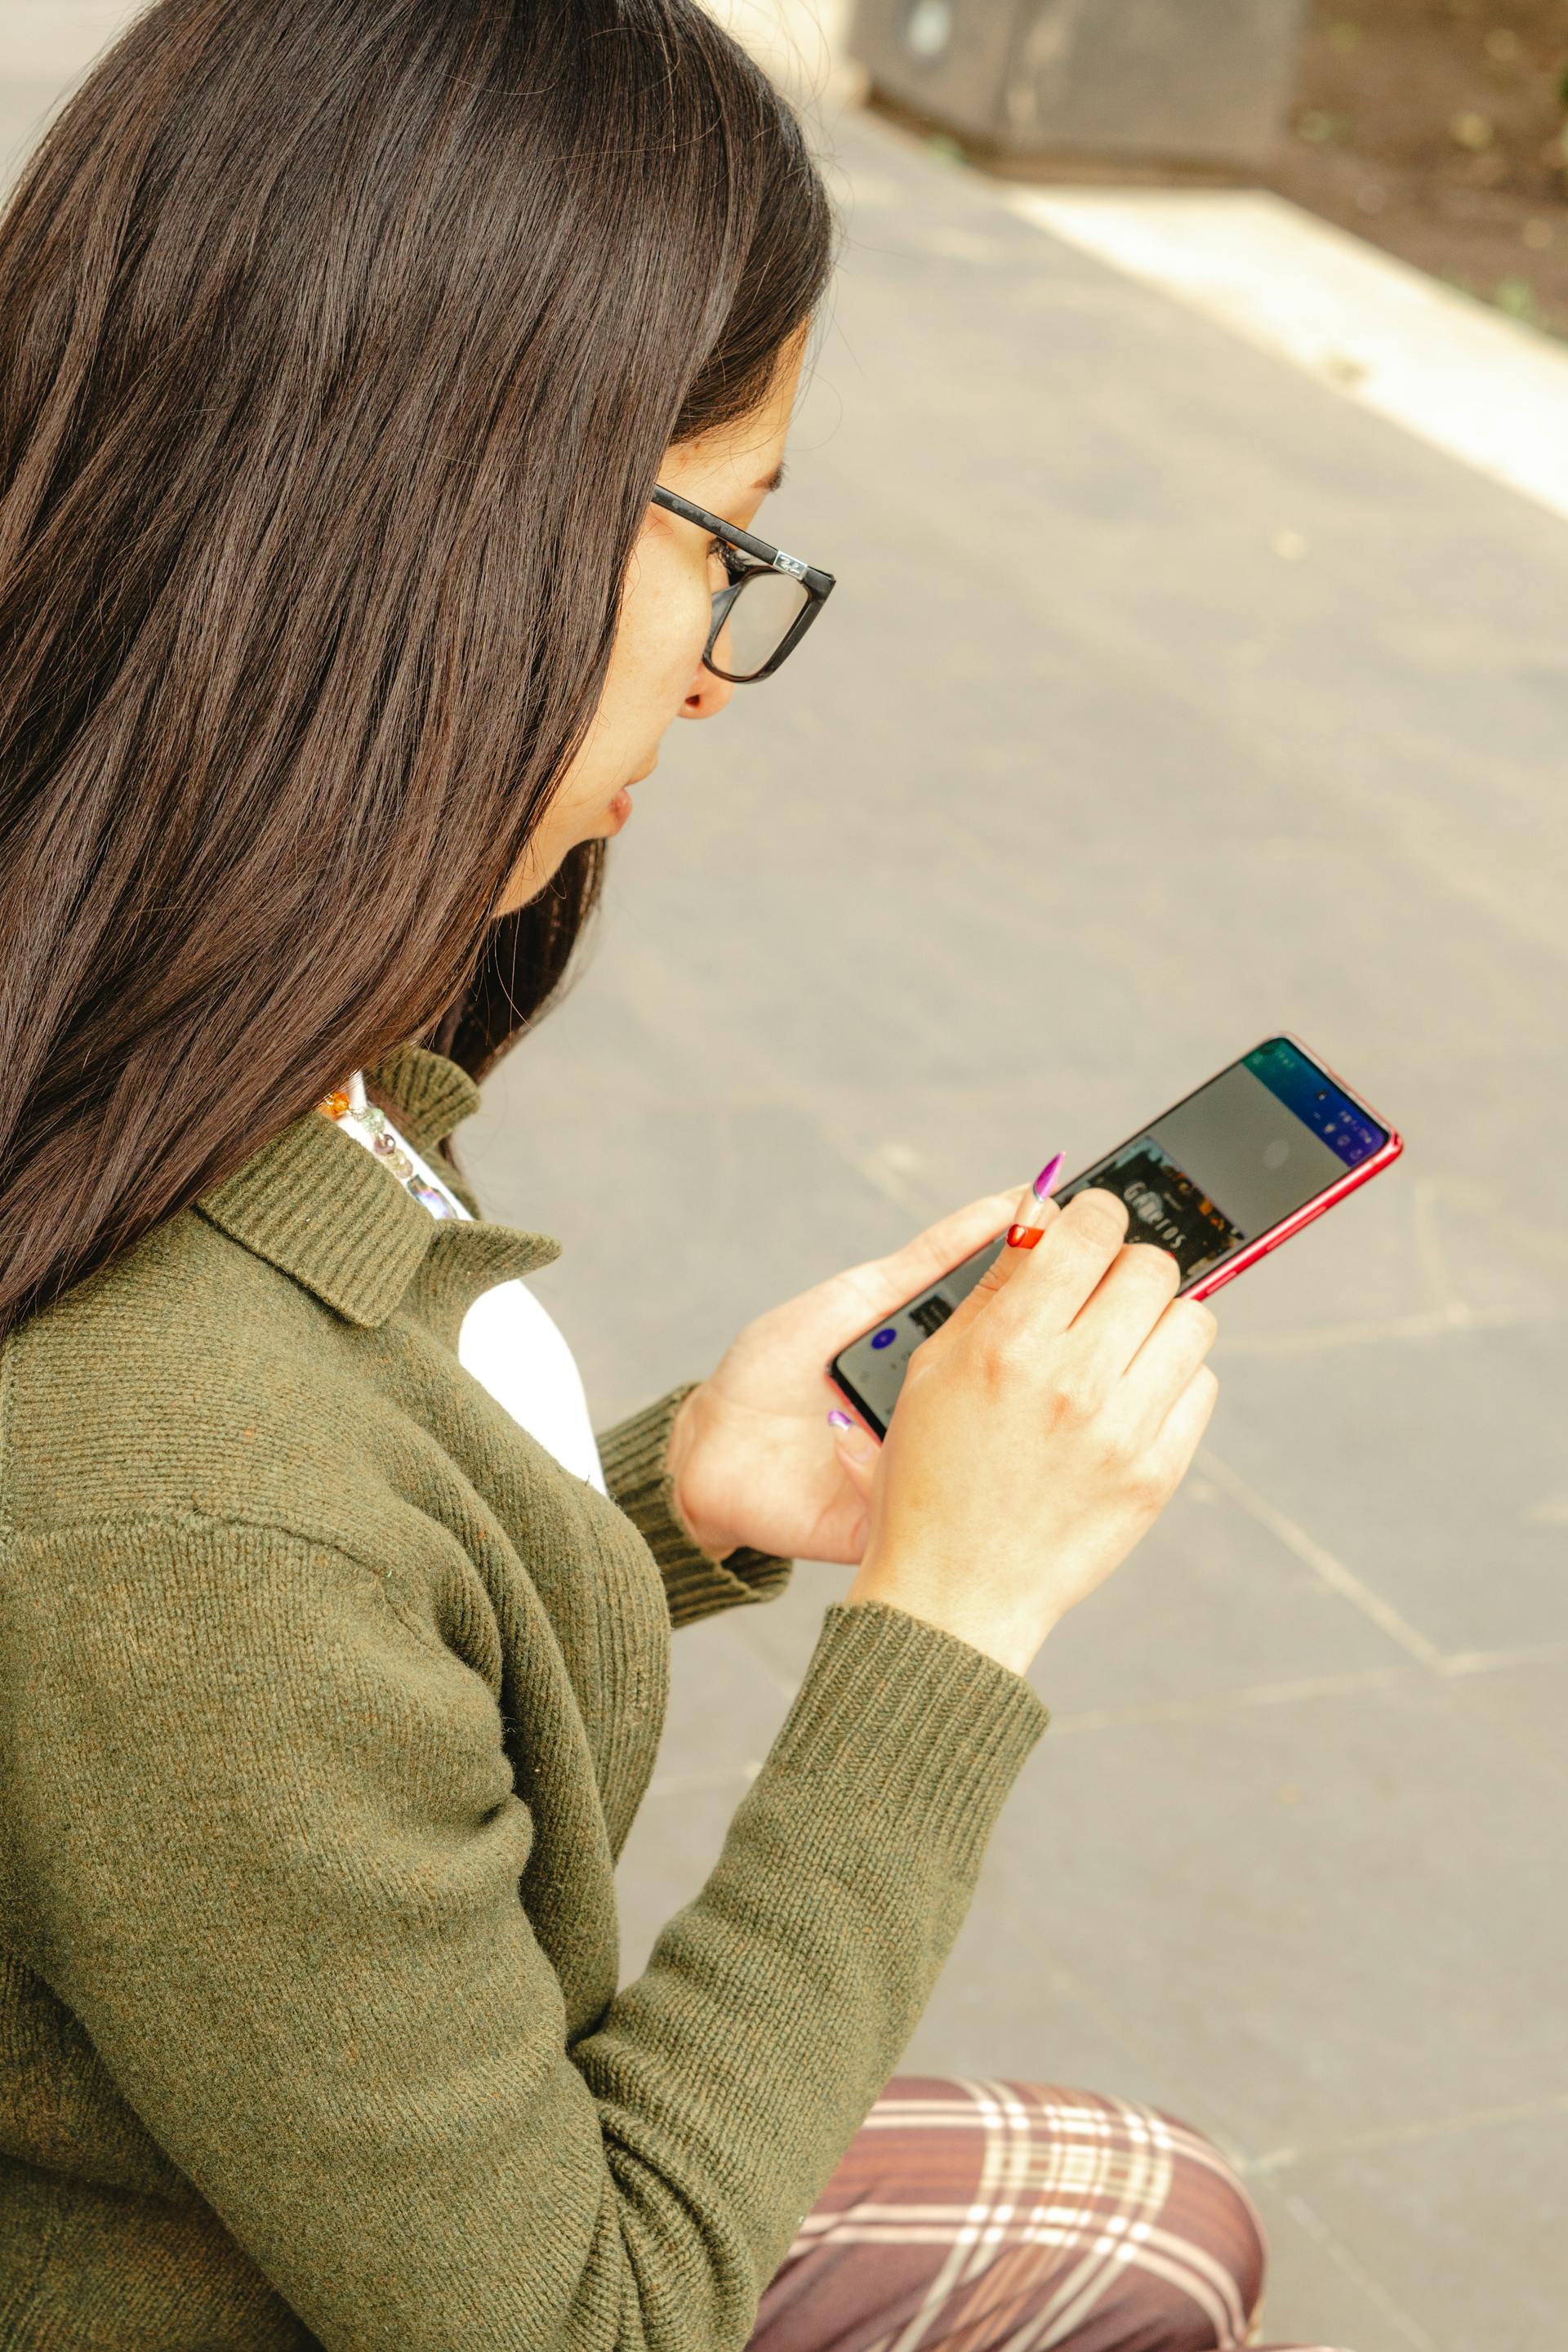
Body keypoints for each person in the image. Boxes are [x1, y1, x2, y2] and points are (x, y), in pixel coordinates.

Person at [0, 4, 1348, 2347]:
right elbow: (584, 2315)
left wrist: (681, 1504)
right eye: (724, 532)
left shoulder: (147, 1047)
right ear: (444, 516)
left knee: (1159, 2218)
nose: (722, 668)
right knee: (1153, 2251)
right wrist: (948, 1628)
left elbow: (238, 1741)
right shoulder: (168, 1496)